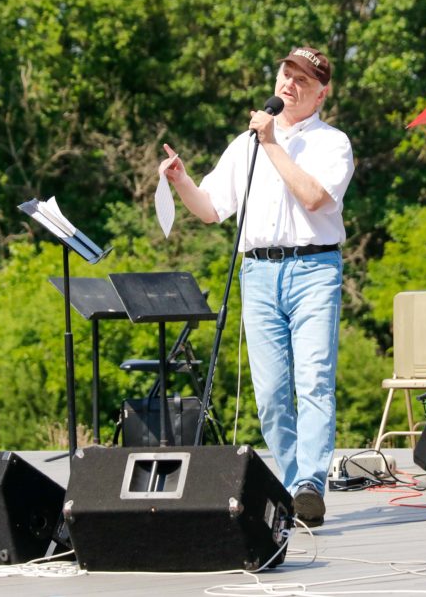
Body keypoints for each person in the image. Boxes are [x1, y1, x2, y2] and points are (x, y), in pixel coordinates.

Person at [160, 46, 355, 526]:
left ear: (321, 94)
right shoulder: (243, 144)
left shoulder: (332, 143)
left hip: (314, 269)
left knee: (313, 381)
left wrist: (271, 143)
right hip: (260, 271)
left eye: (302, 82)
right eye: (285, 76)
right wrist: (182, 180)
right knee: (270, 393)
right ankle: (293, 488)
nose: (289, 86)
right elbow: (210, 210)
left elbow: (313, 197)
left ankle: (311, 482)